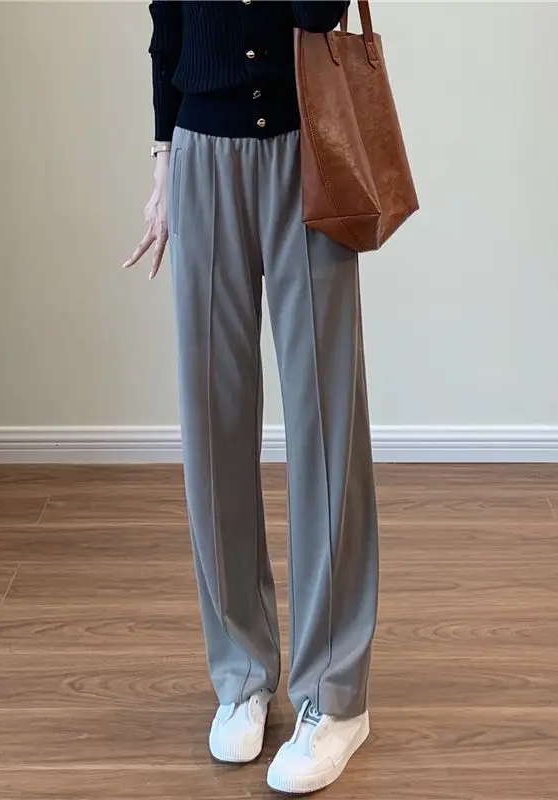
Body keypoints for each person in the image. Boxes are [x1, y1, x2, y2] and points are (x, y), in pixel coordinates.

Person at [124, 1, 379, 794]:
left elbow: (317, 11)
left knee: (326, 424)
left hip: (309, 149)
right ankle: (240, 672)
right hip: (201, 154)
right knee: (213, 422)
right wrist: (163, 166)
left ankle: (336, 696)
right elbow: (169, 28)